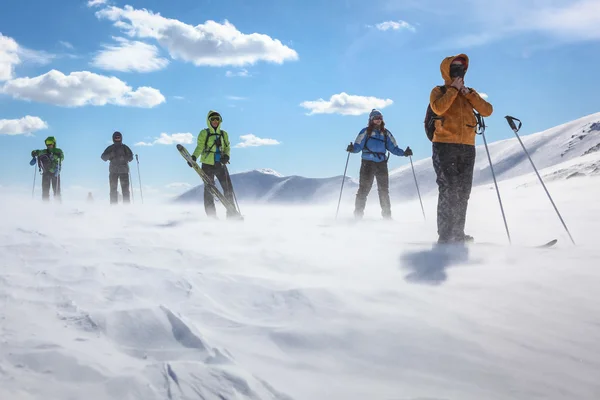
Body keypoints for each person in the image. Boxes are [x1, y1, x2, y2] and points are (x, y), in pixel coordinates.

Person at [429, 53, 493, 244]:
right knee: (448, 188)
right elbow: (438, 109)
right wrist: (453, 90)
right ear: (447, 70)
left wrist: (468, 93)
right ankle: (445, 235)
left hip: (467, 146)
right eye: (455, 67)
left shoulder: (469, 93)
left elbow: (487, 111)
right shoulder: (438, 91)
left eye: (462, 67)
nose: (459, 71)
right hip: (444, 145)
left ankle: (458, 233)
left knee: (463, 191)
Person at [346, 109, 413, 219]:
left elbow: (393, 148)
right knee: (364, 189)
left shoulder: (386, 133)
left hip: (381, 164)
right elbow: (358, 146)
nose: (378, 120)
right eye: (376, 118)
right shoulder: (365, 132)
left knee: (384, 190)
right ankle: (358, 216)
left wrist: (404, 153)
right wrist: (352, 149)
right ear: (371, 120)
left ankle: (387, 217)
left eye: (380, 118)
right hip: (368, 163)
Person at [190, 110, 235, 218]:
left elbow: (227, 147)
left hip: (220, 165)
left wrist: (227, 156)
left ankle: (231, 214)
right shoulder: (204, 133)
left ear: (220, 121)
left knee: (228, 189)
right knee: (209, 190)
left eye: (217, 119)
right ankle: (212, 216)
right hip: (207, 165)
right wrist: (194, 157)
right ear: (208, 121)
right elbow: (200, 146)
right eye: (212, 119)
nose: (215, 121)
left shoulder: (224, 134)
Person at [101, 131, 134, 204]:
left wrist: (124, 158)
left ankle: (127, 207)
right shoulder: (110, 148)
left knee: (125, 190)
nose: (117, 139)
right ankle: (113, 207)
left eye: (119, 137)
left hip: (124, 172)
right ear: (113, 138)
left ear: (121, 138)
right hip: (113, 172)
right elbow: (103, 157)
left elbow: (131, 157)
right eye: (116, 138)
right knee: (113, 190)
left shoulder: (125, 147)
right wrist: (110, 155)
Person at [31, 136, 64, 202]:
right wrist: (34, 153)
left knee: (56, 191)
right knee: (45, 191)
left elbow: (62, 157)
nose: (49, 145)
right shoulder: (44, 151)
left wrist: (58, 156)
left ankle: (58, 206)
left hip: (55, 173)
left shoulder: (58, 151)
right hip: (46, 173)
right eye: (47, 143)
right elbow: (37, 152)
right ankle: (45, 206)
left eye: (50, 143)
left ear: (54, 143)